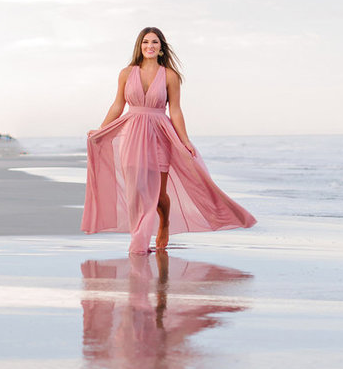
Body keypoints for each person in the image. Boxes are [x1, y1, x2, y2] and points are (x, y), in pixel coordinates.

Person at [82, 27, 256, 255]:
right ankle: (140, 238)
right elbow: (117, 105)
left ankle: (163, 223)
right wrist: (102, 130)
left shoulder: (170, 76)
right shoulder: (126, 73)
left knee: (157, 193)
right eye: (145, 42)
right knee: (136, 190)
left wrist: (185, 141)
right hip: (132, 134)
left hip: (159, 135)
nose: (150, 46)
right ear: (140, 46)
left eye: (154, 42)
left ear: (162, 48)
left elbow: (175, 111)